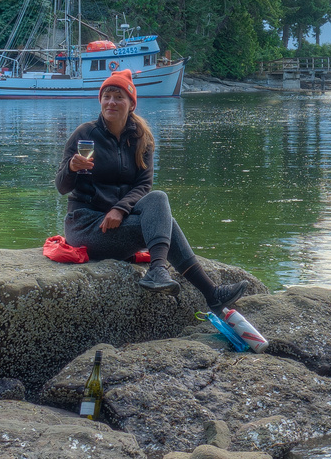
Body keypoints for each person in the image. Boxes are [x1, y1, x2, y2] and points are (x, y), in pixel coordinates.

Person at [56, 69, 247, 310]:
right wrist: (72, 168)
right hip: (85, 226)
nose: (111, 102)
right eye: (106, 96)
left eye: (118, 97)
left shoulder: (141, 139)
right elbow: (61, 187)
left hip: (117, 222)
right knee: (165, 222)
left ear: (131, 104)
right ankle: (207, 291)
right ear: (100, 100)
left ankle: (162, 272)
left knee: (158, 198)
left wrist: (120, 209)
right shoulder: (84, 134)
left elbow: (144, 185)